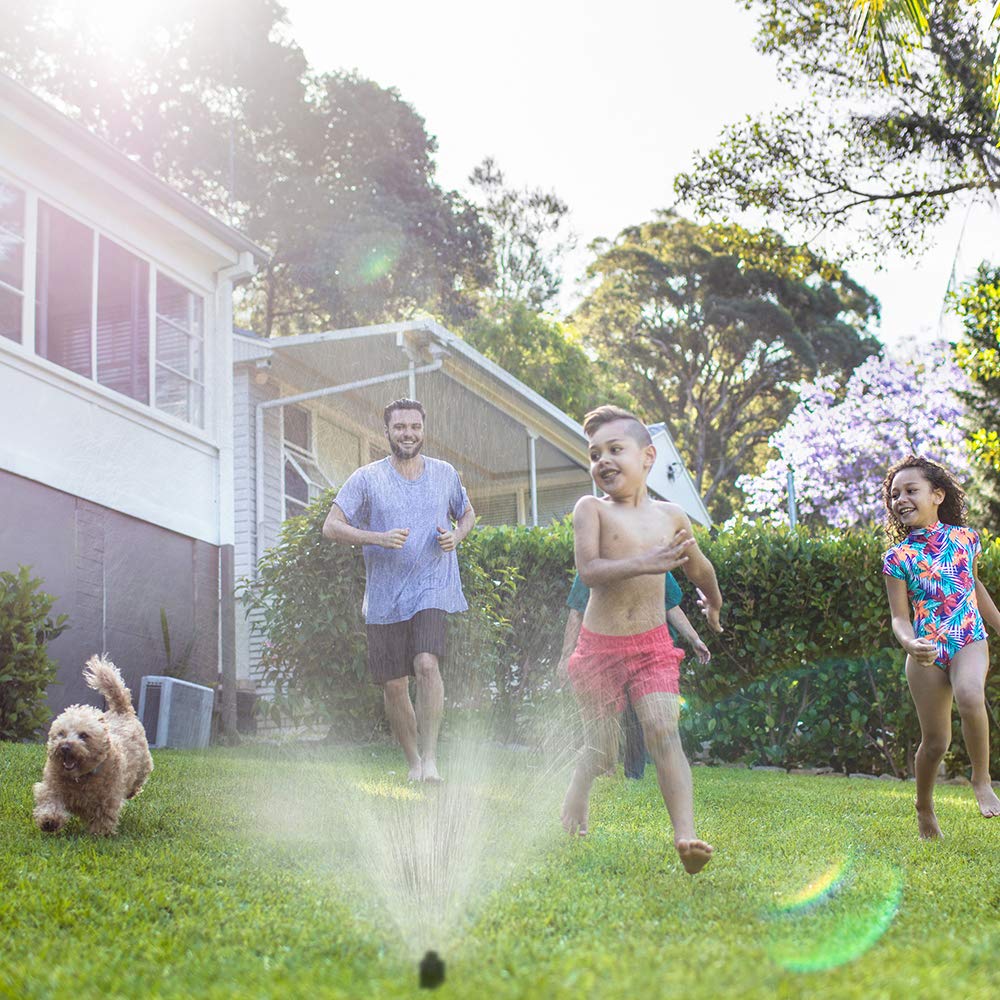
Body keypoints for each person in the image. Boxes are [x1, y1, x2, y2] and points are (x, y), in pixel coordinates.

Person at [561, 405, 723, 874]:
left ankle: (686, 836)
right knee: (602, 752)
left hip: (651, 646)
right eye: (595, 454)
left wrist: (712, 602)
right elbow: (590, 571)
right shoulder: (590, 510)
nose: (603, 461)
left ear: (648, 457)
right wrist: (647, 563)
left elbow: (699, 568)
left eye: (615, 449)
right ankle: (578, 788)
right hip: (599, 649)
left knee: (662, 728)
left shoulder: (672, 516)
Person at [322, 398, 475, 782]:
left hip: (432, 587)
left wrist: (456, 535)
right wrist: (377, 537)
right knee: (393, 685)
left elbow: (468, 513)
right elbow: (331, 526)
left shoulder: (445, 474)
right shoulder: (367, 478)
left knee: (427, 664)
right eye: (400, 427)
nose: (408, 433)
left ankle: (432, 759)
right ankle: (414, 765)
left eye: (415, 427)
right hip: (385, 598)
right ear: (387, 431)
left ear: (424, 430)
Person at [881, 455, 1000, 837]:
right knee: (935, 743)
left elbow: (974, 588)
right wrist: (910, 643)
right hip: (926, 651)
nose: (901, 499)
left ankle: (981, 779)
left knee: (970, 695)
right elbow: (899, 617)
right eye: (894, 494)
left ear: (937, 494)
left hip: (968, 639)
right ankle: (924, 806)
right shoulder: (897, 557)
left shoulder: (965, 539)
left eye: (911, 490)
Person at [556, 571, 711, 780]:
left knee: (640, 716)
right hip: (606, 653)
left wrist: (695, 639)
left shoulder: (653, 563)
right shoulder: (593, 565)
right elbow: (576, 612)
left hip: (647, 654)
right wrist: (566, 656)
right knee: (605, 713)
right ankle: (603, 767)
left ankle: (634, 774)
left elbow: (671, 606)